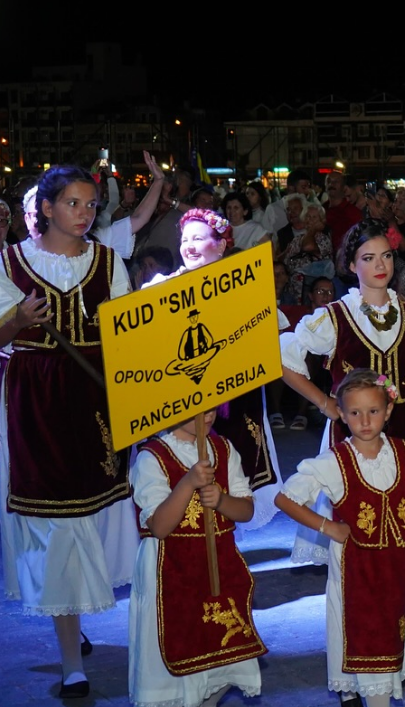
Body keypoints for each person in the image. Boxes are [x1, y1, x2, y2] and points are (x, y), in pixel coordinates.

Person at [0, 166, 132, 698]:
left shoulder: (108, 262)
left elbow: (130, 334)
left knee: (95, 515)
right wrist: (16, 322)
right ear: (48, 208)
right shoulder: (11, 263)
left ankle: (75, 617)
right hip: (35, 398)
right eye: (74, 203)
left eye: (91, 205)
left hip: (96, 398)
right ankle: (70, 659)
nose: (84, 213)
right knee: (60, 527)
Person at [281, 221, 405, 570]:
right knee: (358, 518)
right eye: (369, 258)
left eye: (386, 256)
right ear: (352, 265)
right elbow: (284, 359)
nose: (381, 266)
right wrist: (325, 402)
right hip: (354, 432)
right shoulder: (335, 316)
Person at [276, 369, 405, 707]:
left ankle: (370, 688)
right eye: (355, 413)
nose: (365, 420)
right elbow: (286, 499)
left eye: (373, 411)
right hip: (354, 568)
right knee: (357, 624)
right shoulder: (334, 462)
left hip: (395, 567)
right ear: (342, 415)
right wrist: (329, 528)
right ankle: (362, 692)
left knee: (390, 621)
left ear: (387, 411)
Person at [145, 208, 284, 530]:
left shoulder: (242, 286)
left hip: (232, 396)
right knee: (182, 469)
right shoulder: (161, 287)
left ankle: (224, 540)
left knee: (230, 470)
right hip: (183, 390)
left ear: (220, 246)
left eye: (198, 238)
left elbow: (264, 336)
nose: (189, 246)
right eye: (185, 239)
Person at [128, 409, 264, 707]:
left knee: (224, 654)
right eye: (196, 409)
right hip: (169, 572)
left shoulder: (225, 450)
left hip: (219, 567)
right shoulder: (151, 458)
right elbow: (160, 527)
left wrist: (221, 500)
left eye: (212, 407)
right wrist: (188, 483)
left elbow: (246, 510)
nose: (207, 416)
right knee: (179, 650)